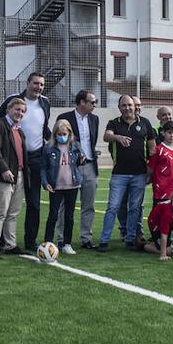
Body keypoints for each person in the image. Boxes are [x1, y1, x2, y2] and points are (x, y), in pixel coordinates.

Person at [0, 73, 52, 252]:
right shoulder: (14, 100)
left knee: (34, 203)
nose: (38, 87)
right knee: (8, 205)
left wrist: (56, 141)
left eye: (41, 84)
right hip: (13, 158)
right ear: (27, 83)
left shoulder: (45, 103)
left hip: (35, 158)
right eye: (35, 83)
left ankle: (30, 240)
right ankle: (3, 242)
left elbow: (43, 129)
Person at [99, 95, 153, 252]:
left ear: (134, 106)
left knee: (135, 208)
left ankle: (130, 239)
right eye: (124, 105)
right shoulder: (114, 123)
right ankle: (104, 240)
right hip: (119, 174)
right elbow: (106, 136)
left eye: (130, 105)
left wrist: (150, 169)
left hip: (139, 174)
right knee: (113, 207)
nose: (127, 108)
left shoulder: (145, 123)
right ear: (119, 107)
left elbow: (152, 146)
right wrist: (117, 137)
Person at [54, 90, 100, 249]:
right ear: (82, 102)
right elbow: (59, 142)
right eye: (92, 102)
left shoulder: (95, 119)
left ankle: (86, 238)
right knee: (65, 205)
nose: (95, 105)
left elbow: (92, 143)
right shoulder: (64, 118)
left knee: (89, 204)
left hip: (89, 165)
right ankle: (61, 239)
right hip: (70, 167)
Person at [0, 98, 26, 257]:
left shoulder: (19, 130)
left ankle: (10, 244)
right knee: (1, 211)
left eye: (23, 111)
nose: (20, 113)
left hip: (19, 174)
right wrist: (4, 169)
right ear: (9, 109)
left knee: (13, 212)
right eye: (17, 109)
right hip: (3, 176)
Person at [42, 119, 83, 255]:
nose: (62, 136)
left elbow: (79, 162)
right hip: (56, 186)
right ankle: (47, 243)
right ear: (55, 134)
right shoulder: (49, 148)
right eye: (59, 134)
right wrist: (45, 182)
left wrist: (82, 159)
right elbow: (43, 168)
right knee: (53, 215)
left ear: (69, 133)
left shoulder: (75, 146)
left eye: (64, 133)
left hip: (72, 185)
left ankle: (67, 243)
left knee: (69, 216)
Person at [148, 121, 173, 205]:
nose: (172, 135)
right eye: (169, 132)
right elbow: (150, 168)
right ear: (163, 133)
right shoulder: (158, 149)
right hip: (161, 190)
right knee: (159, 215)